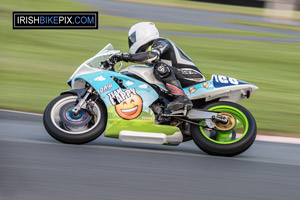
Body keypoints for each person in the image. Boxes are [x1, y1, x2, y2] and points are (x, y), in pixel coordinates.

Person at [108, 22, 205, 111]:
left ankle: (181, 98)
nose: (131, 42)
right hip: (178, 77)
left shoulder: (161, 42)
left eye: (133, 38)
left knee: (159, 67)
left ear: (143, 34)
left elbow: (152, 56)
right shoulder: (149, 56)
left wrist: (123, 56)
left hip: (192, 76)